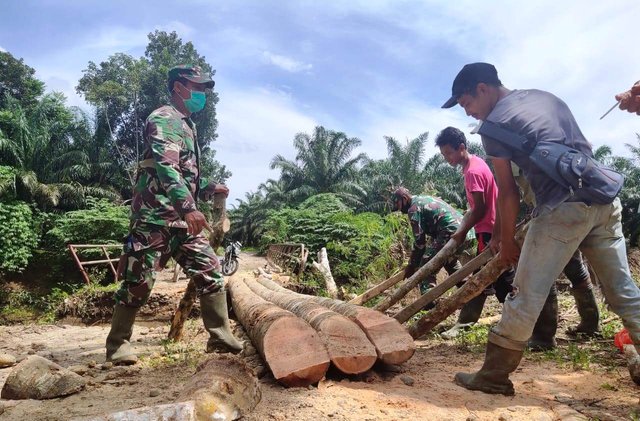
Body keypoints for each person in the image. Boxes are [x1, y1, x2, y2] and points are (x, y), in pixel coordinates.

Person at [441, 62, 640, 395]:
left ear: (482, 88)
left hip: (563, 209)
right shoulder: (546, 98)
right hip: (604, 199)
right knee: (623, 291)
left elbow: (508, 191)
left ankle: (493, 376)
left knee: (524, 295)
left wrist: (505, 243)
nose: (470, 113)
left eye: (467, 104)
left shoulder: (493, 126)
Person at [105, 64, 244, 365]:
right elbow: (166, 168)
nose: (203, 94)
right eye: (198, 87)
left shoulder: (187, 125)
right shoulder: (164, 118)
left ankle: (220, 339)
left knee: (210, 271)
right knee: (138, 282)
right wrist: (189, 206)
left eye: (205, 89)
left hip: (182, 221)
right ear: (179, 87)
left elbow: (184, 175)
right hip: (155, 217)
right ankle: (118, 345)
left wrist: (208, 186)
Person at [435, 127, 514, 339]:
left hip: (488, 231)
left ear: (461, 148)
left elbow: (479, 209)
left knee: (498, 279)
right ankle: (467, 323)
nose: (447, 159)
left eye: (449, 153)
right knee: (484, 279)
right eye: (444, 155)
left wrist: (461, 232)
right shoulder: (476, 163)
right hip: (491, 228)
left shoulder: (472, 172)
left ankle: (517, 323)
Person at [511, 164, 600, 351]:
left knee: (543, 272)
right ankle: (590, 324)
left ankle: (543, 337)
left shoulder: (508, 151)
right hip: (573, 208)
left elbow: (508, 194)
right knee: (575, 268)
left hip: (553, 212)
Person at [393, 187, 474, 297]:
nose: (399, 210)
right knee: (449, 261)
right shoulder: (425, 198)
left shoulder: (413, 208)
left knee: (426, 265)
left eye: (398, 205)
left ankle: (429, 300)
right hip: (467, 231)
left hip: (452, 232)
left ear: (404, 198)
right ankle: (466, 287)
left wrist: (412, 265)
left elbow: (420, 243)